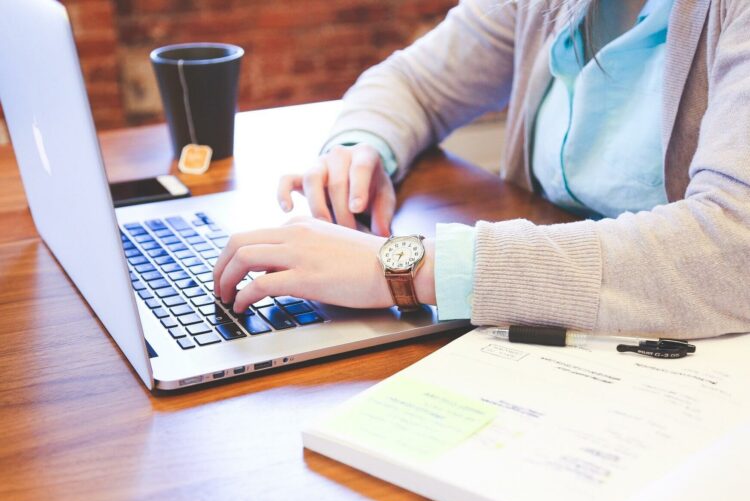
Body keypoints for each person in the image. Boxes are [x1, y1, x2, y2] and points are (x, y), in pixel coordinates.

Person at [214, 0, 750, 339]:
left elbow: (732, 249)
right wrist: (361, 148)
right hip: (553, 332)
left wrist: (405, 269)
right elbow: (413, 81)